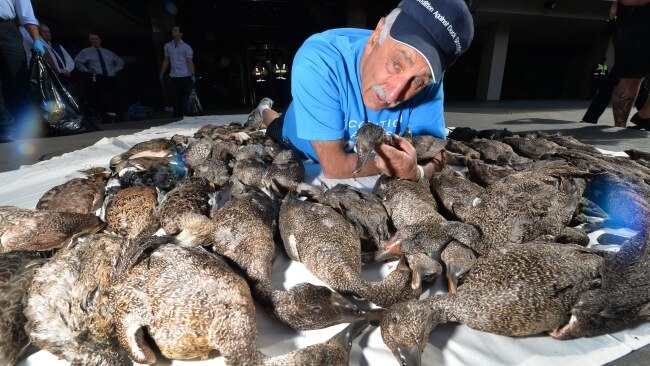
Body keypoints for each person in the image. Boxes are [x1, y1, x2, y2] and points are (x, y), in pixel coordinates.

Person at [248, 0, 473, 180]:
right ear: (376, 36)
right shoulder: (319, 60)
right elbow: (334, 168)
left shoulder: (429, 79)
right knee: (275, 123)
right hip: (295, 129)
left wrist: (418, 172)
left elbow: (436, 153)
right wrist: (383, 164)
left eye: (418, 82)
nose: (394, 95)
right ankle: (264, 109)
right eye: (396, 64)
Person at [0, 0, 45, 142]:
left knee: (17, 77)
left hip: (6, 29)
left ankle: (22, 125)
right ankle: (4, 127)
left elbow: (26, 12)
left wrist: (36, 39)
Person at [610, 0, 650, 128]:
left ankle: (644, 116)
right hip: (635, 21)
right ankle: (622, 125)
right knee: (630, 79)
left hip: (632, 21)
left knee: (630, 79)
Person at [74, 32, 124, 121]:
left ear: (100, 40)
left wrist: (114, 70)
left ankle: (118, 116)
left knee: (115, 96)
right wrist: (86, 70)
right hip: (98, 78)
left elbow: (120, 62)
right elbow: (77, 62)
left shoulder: (108, 52)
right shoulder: (86, 51)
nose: (94, 40)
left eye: (96, 38)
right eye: (92, 39)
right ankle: (106, 117)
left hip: (111, 77)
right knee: (101, 98)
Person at [159, 25, 195, 118]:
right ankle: (177, 114)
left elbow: (189, 61)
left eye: (175, 30)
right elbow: (166, 60)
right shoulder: (168, 45)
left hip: (185, 74)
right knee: (175, 95)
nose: (173, 31)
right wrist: (162, 73)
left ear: (180, 33)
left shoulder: (186, 47)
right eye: (173, 30)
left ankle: (185, 112)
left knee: (185, 96)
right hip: (174, 75)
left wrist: (192, 74)